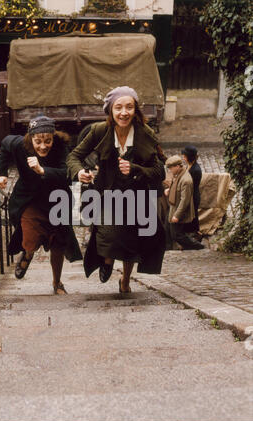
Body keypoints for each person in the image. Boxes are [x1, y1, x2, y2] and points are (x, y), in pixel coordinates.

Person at [67, 86, 166, 293]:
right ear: (110, 110)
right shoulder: (99, 131)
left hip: (136, 195)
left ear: (135, 110)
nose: (124, 112)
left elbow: (158, 170)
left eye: (129, 107)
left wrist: (136, 168)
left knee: (132, 242)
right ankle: (107, 259)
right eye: (118, 107)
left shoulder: (145, 133)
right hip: (106, 194)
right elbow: (73, 157)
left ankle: (126, 280)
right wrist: (79, 173)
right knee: (109, 232)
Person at [0, 115, 82, 294]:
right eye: (38, 142)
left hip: (56, 200)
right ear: (30, 139)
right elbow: (4, 143)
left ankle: (57, 282)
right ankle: (27, 253)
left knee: (58, 244)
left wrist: (43, 170)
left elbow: (67, 172)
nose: (43, 146)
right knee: (30, 237)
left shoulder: (61, 147)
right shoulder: (19, 144)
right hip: (30, 199)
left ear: (53, 137)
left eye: (48, 141)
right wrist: (1, 173)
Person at [164, 155, 204, 250]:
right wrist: (169, 190)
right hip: (173, 207)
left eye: (171, 168)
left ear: (177, 166)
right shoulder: (178, 174)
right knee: (167, 229)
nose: (170, 170)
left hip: (178, 209)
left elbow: (184, 200)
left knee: (177, 235)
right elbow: (175, 184)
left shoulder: (186, 180)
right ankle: (167, 248)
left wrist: (177, 215)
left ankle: (198, 246)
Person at [181, 145, 202, 237]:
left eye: (184, 156)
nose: (183, 158)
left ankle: (195, 235)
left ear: (189, 157)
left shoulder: (196, 170)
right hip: (190, 194)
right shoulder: (189, 165)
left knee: (193, 216)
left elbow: (190, 185)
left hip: (193, 196)